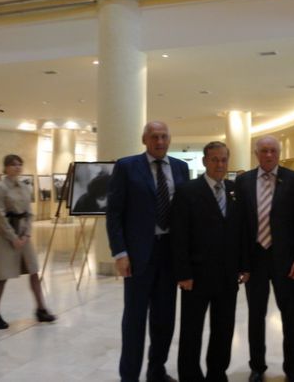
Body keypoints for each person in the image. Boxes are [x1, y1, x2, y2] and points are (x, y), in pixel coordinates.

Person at [106, 121, 190, 382]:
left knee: (164, 319)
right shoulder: (127, 166)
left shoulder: (180, 167)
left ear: (169, 139)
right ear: (144, 140)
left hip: (169, 254)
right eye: (154, 136)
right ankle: (129, 376)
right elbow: (114, 213)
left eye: (164, 136)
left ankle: (157, 370)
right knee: (134, 320)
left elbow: (185, 214)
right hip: (138, 255)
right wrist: (120, 252)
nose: (160, 141)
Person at [171, 141, 250, 382]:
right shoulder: (187, 191)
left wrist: (244, 265)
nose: (219, 164)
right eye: (214, 159)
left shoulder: (235, 191)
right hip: (196, 276)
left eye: (223, 159)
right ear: (205, 161)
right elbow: (179, 235)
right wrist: (183, 273)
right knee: (191, 330)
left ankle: (217, 373)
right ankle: (189, 375)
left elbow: (242, 231)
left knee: (223, 329)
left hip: (227, 276)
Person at [235, 135, 294, 382]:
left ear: (279, 153)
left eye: (273, 151)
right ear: (256, 154)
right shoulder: (243, 181)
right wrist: (242, 263)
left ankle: (293, 369)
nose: (268, 155)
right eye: (264, 150)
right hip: (255, 259)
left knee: (291, 316)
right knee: (256, 316)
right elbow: (240, 226)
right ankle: (257, 366)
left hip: (286, 260)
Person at [0, 154, 56, 329]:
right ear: (6, 167)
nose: (17, 167)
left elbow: (29, 213)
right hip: (4, 236)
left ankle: (41, 309)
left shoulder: (24, 187)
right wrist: (13, 237)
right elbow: (0, 216)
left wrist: (26, 234)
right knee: (2, 275)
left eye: (19, 164)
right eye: (13, 164)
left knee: (33, 271)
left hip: (23, 234)